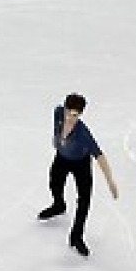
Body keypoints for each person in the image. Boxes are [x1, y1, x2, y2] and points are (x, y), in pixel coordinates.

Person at [37, 93, 120, 257]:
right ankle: (59, 205)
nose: (70, 118)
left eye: (75, 115)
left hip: (81, 164)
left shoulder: (83, 134)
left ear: (80, 115)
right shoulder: (58, 112)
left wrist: (110, 180)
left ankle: (77, 236)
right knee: (54, 182)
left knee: (84, 200)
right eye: (68, 113)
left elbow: (100, 156)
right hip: (61, 158)